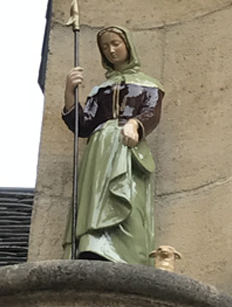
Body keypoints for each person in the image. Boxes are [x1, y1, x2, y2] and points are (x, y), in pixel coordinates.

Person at [61, 26, 165, 265]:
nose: (111, 50)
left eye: (116, 43)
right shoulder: (100, 90)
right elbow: (83, 125)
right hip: (100, 148)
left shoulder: (149, 85)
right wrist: (69, 92)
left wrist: (135, 124)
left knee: (129, 195)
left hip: (127, 147)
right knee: (96, 196)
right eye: (106, 46)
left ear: (128, 45)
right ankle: (94, 245)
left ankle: (126, 252)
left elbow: (153, 112)